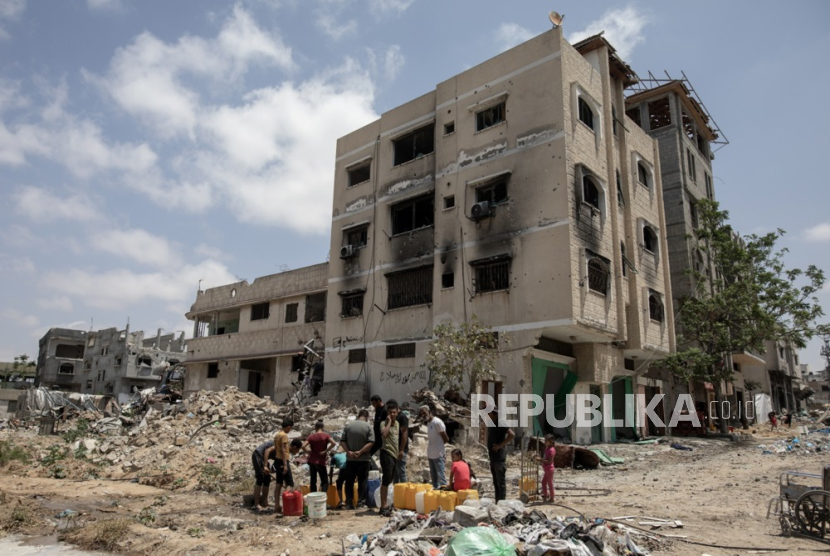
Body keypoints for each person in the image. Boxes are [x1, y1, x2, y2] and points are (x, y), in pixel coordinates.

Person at [340, 409, 375, 510]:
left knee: (349, 481)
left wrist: (348, 452)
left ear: (358, 415)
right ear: (367, 417)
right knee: (362, 481)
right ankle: (360, 503)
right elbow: (371, 442)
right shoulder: (368, 427)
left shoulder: (348, 426)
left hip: (350, 460)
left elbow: (342, 441)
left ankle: (349, 503)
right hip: (364, 459)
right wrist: (360, 452)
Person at [487, 408, 514, 502]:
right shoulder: (492, 423)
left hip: (499, 458)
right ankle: (497, 502)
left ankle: (502, 503)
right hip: (493, 458)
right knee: (496, 483)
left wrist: (500, 445)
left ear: (494, 414)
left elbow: (511, 434)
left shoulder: (501, 422)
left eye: (489, 413)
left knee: (500, 483)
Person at [379, 400, 400, 517]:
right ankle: (383, 506)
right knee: (386, 480)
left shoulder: (397, 424)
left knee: (389, 480)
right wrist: (388, 422)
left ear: (397, 412)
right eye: (390, 412)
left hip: (394, 455)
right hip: (386, 453)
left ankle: (386, 504)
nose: (392, 414)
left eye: (394, 412)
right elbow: (384, 434)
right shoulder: (383, 423)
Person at [302, 420, 336, 493]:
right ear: (322, 427)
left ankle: (313, 497)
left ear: (315, 427)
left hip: (312, 461)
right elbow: (333, 443)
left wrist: (308, 451)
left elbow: (303, 446)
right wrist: (325, 451)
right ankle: (323, 497)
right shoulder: (326, 435)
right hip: (321, 461)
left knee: (313, 480)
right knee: (324, 481)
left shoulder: (311, 436)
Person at [420, 405, 449, 488]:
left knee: (441, 477)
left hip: (438, 454)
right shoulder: (429, 423)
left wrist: (442, 450)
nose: (423, 415)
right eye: (422, 414)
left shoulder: (437, 422)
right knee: (434, 479)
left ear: (430, 412)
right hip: (431, 455)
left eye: (425, 413)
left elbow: (445, 438)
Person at [272, 418, 295, 515]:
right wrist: (285, 464)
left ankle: (277, 505)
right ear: (288, 427)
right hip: (283, 461)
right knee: (290, 484)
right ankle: (286, 505)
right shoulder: (284, 436)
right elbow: (283, 450)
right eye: (290, 429)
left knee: (278, 483)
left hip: (277, 460)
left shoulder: (277, 435)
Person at [251, 438, 277, 511]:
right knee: (260, 478)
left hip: (263, 458)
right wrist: (265, 466)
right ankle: (256, 504)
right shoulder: (279, 445)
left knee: (267, 478)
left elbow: (275, 464)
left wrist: (271, 470)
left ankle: (264, 501)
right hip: (258, 455)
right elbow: (267, 451)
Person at [537, 434, 556, 502]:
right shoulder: (547, 448)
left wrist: (540, 460)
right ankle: (545, 495)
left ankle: (552, 497)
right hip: (547, 469)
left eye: (546, 441)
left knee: (549, 483)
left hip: (549, 469)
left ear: (550, 441)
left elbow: (549, 461)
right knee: (543, 482)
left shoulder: (551, 450)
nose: (545, 442)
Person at [396, 404, 410, 483]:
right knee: (395, 473)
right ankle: (397, 490)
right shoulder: (395, 417)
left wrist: (401, 450)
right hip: (396, 449)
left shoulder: (402, 417)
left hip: (401, 450)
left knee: (401, 472)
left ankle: (404, 492)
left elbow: (404, 434)